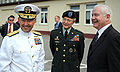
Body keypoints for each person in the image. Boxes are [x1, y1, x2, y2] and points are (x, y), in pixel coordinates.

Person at [0, 4, 45, 72]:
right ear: (19, 20)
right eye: (23, 20)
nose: (26, 24)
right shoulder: (9, 39)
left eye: (29, 21)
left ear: (34, 21)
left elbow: (40, 61)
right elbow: (4, 66)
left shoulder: (38, 37)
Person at [87, 5, 120, 72]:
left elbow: (115, 67)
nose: (92, 18)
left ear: (107, 17)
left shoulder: (114, 37)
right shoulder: (99, 34)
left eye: (96, 15)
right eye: (92, 15)